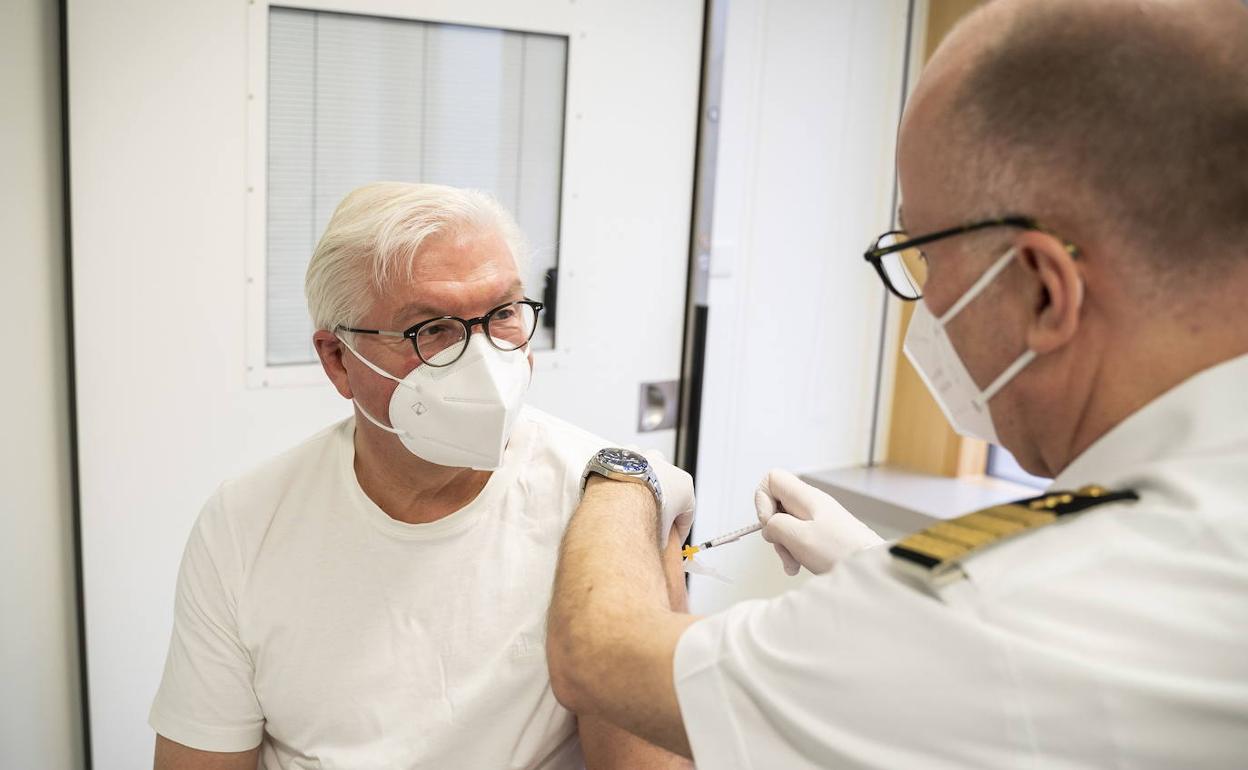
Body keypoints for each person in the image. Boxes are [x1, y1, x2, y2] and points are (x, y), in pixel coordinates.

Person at [546, 0, 1248, 766]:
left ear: (1045, 290)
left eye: (927, 257)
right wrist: (873, 566)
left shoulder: (1017, 607)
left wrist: (623, 473)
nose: (924, 298)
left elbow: (598, 654)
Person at [150, 182, 692, 769]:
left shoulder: (606, 507)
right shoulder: (245, 524)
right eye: (431, 328)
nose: (483, 362)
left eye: (504, 313)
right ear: (338, 360)